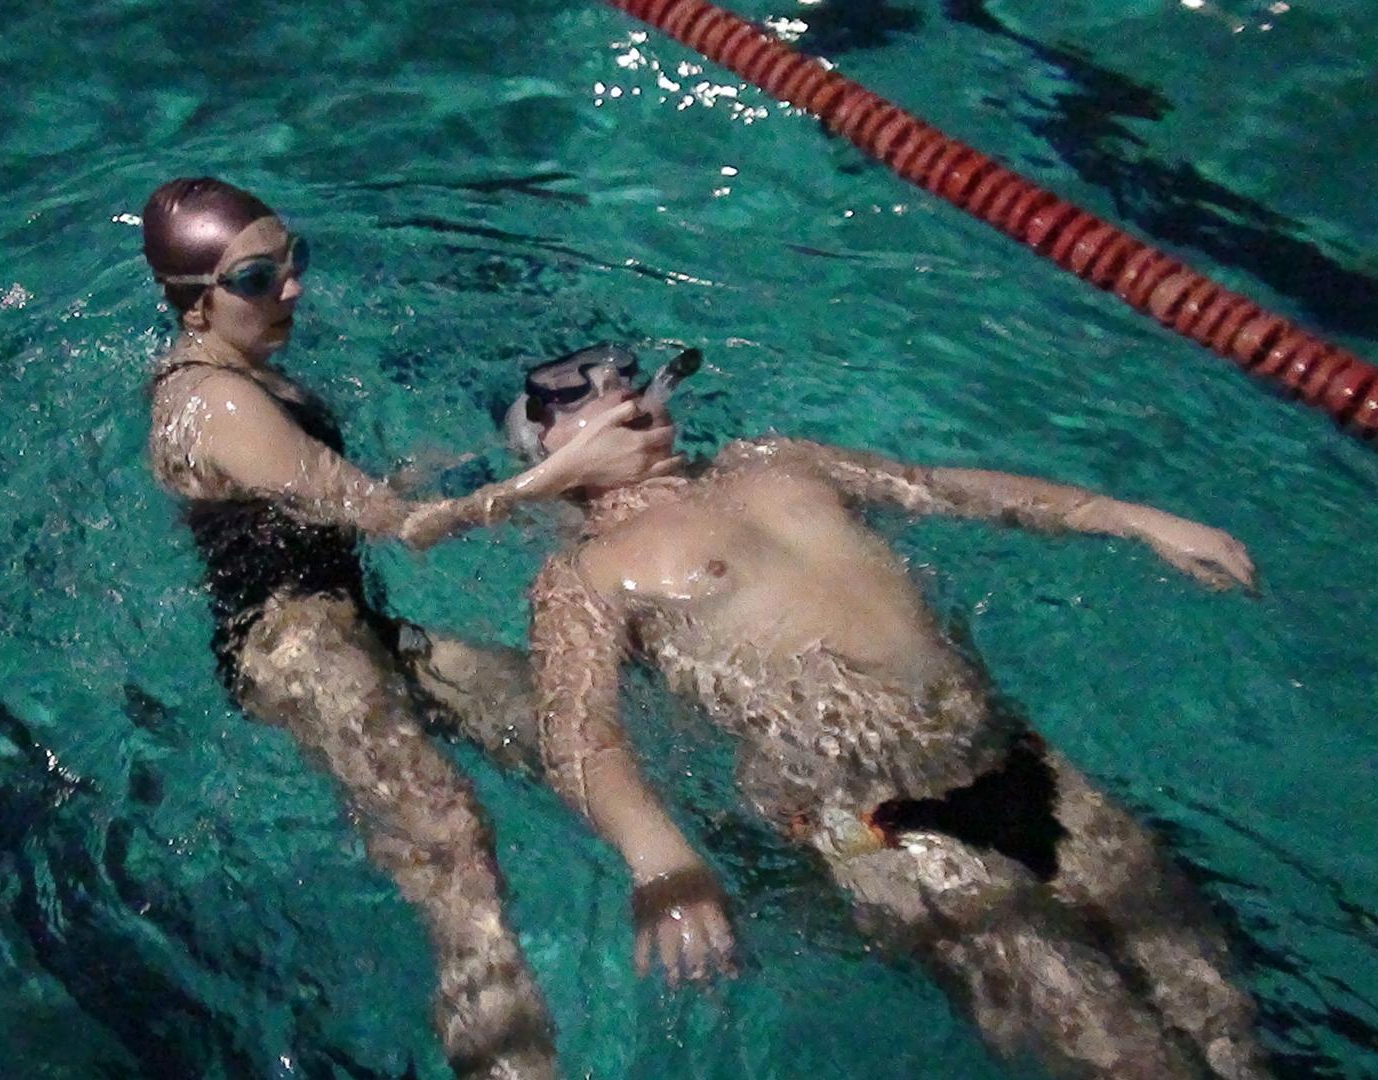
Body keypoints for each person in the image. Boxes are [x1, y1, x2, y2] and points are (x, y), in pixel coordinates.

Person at [512, 343, 1271, 1079]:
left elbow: (941, 487)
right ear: (547, 450)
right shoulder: (585, 574)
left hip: (1016, 759)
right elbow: (578, 735)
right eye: (572, 390)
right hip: (885, 829)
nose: (613, 382)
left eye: (615, 370)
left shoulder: (775, 460)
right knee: (1118, 1052)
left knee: (1220, 1011)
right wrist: (662, 860)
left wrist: (1124, 515)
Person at [142, 180, 676, 1080]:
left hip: (355, 628)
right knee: (451, 846)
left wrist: (440, 471)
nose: (293, 287)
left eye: (294, 260)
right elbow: (405, 530)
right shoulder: (214, 401)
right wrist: (560, 472)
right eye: (258, 278)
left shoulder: (249, 376)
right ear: (195, 303)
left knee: (563, 723)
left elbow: (331, 500)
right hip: (291, 647)